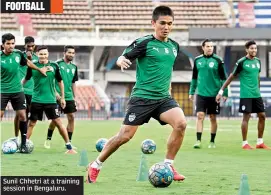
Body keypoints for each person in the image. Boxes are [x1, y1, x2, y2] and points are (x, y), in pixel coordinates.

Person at [86, 6, 187, 183]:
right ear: (153, 23)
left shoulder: (174, 46)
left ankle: (169, 164)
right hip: (142, 98)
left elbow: (167, 69)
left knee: (181, 124)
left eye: (170, 24)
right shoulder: (145, 43)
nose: (166, 27)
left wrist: (168, 88)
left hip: (163, 98)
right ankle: (96, 165)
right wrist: (121, 60)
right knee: (124, 136)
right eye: (162, 23)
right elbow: (123, 56)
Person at [216, 40, 270, 150]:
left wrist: (258, 90)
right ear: (247, 50)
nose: (254, 50)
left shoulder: (258, 61)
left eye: (255, 48)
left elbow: (257, 77)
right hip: (246, 95)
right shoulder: (241, 62)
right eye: (251, 48)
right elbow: (231, 76)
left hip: (256, 94)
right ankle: (244, 143)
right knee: (247, 117)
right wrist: (221, 91)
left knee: (262, 116)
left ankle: (260, 142)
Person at [22, 45, 77, 154]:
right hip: (36, 100)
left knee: (58, 122)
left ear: (48, 55)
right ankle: (24, 145)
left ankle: (69, 147)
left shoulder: (54, 66)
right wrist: (19, 88)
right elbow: (26, 79)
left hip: (51, 100)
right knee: (32, 123)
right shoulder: (33, 66)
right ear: (37, 54)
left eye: (45, 54)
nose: (43, 56)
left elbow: (60, 82)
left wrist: (62, 98)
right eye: (41, 54)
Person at [1, 33, 47, 153]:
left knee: (22, 116)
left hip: (18, 90)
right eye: (8, 44)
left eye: (13, 43)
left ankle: (23, 144)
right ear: (3, 45)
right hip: (3, 91)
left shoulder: (18, 54)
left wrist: (38, 69)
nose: (11, 46)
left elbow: (28, 63)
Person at [189, 39, 228, 149]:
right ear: (203, 47)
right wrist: (192, 92)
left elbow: (223, 78)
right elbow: (194, 78)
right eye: (208, 46)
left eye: (212, 46)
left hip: (214, 94)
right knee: (200, 116)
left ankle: (212, 141)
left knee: (212, 117)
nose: (210, 48)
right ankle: (198, 140)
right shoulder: (197, 60)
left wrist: (224, 92)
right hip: (201, 94)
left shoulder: (218, 60)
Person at [44, 45, 78, 149]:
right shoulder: (57, 64)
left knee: (71, 117)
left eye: (73, 53)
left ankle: (69, 142)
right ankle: (48, 139)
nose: (71, 54)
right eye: (69, 52)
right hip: (56, 96)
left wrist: (74, 97)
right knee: (55, 120)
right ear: (64, 53)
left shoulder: (74, 67)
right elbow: (51, 80)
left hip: (69, 97)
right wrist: (55, 93)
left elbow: (73, 83)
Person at [13, 36, 39, 144]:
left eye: (32, 46)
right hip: (22, 89)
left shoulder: (37, 58)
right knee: (20, 115)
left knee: (31, 118)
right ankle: (16, 137)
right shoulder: (19, 56)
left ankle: (25, 140)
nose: (31, 48)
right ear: (25, 46)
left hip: (34, 91)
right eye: (29, 46)